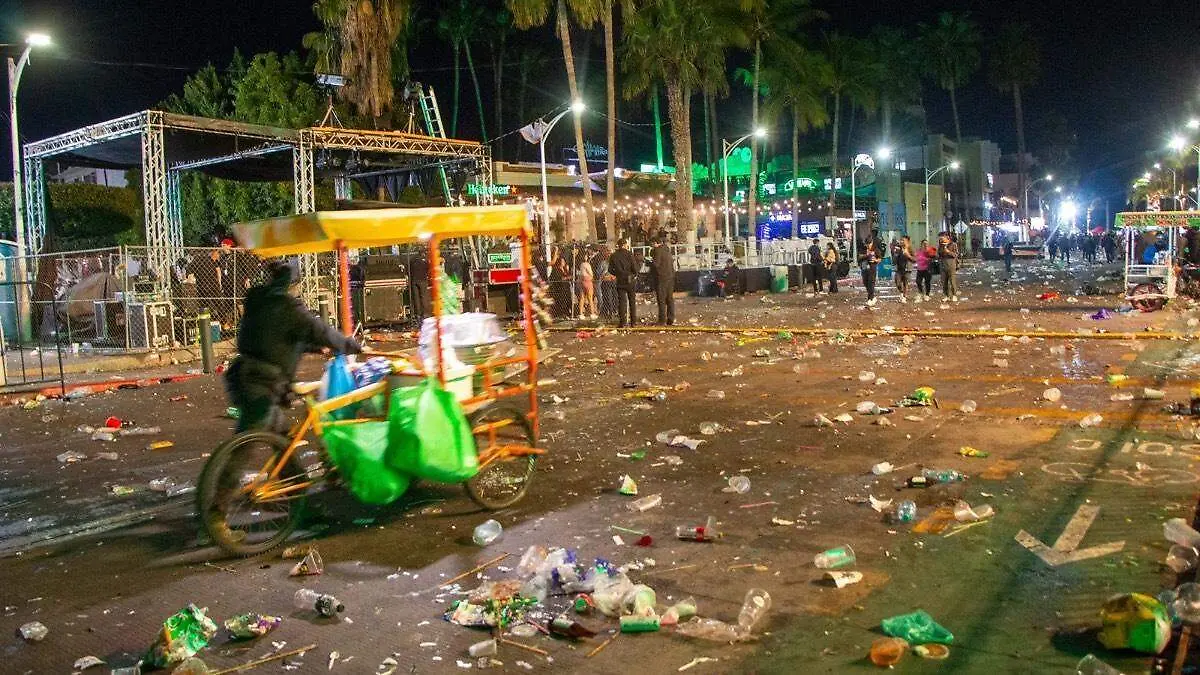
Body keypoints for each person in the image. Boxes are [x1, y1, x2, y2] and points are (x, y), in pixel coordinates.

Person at [224, 260, 362, 433]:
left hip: (242, 375)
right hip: (265, 382)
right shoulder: (289, 307)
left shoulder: (257, 300)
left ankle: (286, 458)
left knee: (281, 435)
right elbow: (321, 331)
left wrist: (314, 348)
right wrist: (352, 346)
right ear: (291, 284)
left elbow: (275, 337)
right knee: (246, 440)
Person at [609, 238, 638, 327]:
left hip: (620, 280)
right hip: (630, 279)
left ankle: (623, 322)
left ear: (618, 245)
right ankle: (633, 322)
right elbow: (634, 267)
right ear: (625, 245)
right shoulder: (629, 254)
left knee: (622, 302)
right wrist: (634, 274)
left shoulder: (614, 256)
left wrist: (617, 273)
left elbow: (610, 269)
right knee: (632, 301)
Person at [650, 236, 675, 325]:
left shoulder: (657, 250)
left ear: (655, 243)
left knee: (661, 299)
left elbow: (656, 264)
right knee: (669, 299)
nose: (651, 246)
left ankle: (662, 320)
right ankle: (671, 318)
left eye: (652, 244)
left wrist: (650, 263)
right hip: (670, 277)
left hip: (661, 278)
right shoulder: (666, 249)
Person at [858, 229, 885, 306]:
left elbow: (880, 258)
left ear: (872, 243)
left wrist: (876, 260)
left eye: (869, 244)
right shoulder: (863, 249)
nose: (868, 246)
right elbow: (859, 256)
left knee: (871, 283)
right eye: (867, 244)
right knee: (865, 282)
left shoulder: (875, 249)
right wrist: (866, 255)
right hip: (864, 268)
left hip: (872, 268)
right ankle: (871, 295)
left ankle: (871, 298)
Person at [408, 252, 431, 323]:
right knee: (423, 297)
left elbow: (409, 270)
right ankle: (425, 314)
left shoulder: (412, 260)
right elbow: (428, 270)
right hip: (423, 280)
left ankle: (417, 314)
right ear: (423, 254)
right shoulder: (425, 261)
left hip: (414, 281)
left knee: (416, 298)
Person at [938, 231, 959, 301]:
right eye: (940, 237)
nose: (941, 239)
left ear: (947, 237)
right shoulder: (940, 245)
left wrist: (948, 252)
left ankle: (954, 295)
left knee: (952, 281)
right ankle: (946, 295)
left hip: (951, 265)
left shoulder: (953, 244)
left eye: (942, 237)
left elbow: (955, 255)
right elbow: (938, 254)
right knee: (944, 282)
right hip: (942, 265)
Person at [577, 248, 598, 319]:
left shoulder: (581, 265)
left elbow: (580, 274)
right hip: (588, 281)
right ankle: (592, 313)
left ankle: (580, 313)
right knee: (590, 298)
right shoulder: (587, 264)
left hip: (582, 281)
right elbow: (591, 273)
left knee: (582, 298)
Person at [893, 236, 915, 302]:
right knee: (897, 282)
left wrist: (908, 255)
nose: (901, 241)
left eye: (903, 240)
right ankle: (901, 292)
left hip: (907, 269)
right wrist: (895, 254)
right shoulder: (898, 249)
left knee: (905, 283)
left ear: (907, 241)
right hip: (899, 269)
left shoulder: (910, 249)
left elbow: (915, 259)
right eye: (901, 240)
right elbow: (893, 261)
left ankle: (904, 297)